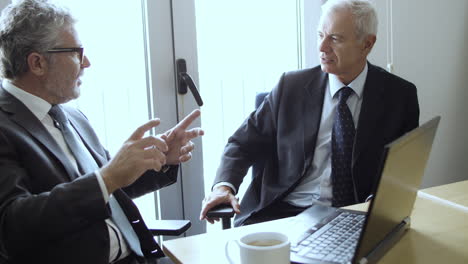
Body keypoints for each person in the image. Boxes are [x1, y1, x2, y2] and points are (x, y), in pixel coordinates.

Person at [0, 0, 203, 263]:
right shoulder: (5, 126)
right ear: (37, 63)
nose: (86, 63)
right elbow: (12, 227)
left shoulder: (70, 115)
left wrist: (160, 158)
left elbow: (111, 187)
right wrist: (107, 177)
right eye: (76, 52)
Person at [200, 0, 419, 227]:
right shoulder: (290, 87)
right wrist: (223, 187)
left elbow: (402, 170)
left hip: (355, 216)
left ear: (367, 44)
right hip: (283, 213)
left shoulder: (399, 97)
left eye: (335, 38)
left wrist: (378, 204)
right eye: (319, 35)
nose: (322, 47)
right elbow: (241, 143)